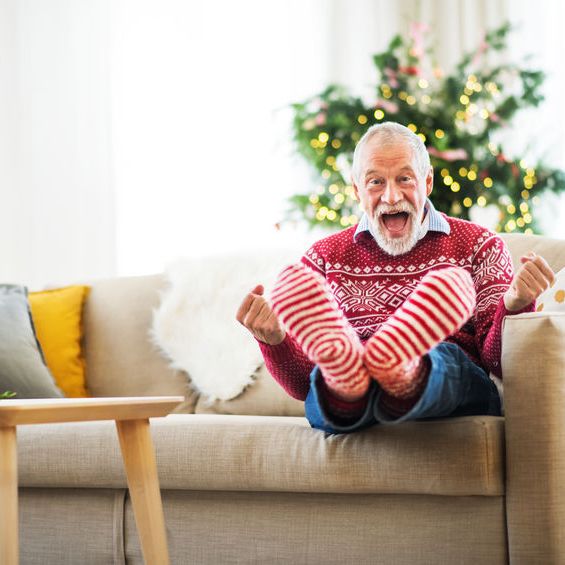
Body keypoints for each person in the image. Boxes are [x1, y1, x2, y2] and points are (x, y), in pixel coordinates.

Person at [236, 122, 555, 434]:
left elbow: (497, 362)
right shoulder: (323, 258)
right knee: (325, 383)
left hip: (448, 385)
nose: (391, 197)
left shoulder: (478, 245)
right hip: (356, 398)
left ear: (427, 182)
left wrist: (514, 304)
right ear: (357, 190)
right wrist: (274, 340)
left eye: (405, 179)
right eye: (375, 182)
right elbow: (303, 385)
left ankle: (403, 368)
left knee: (444, 357)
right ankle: (351, 377)